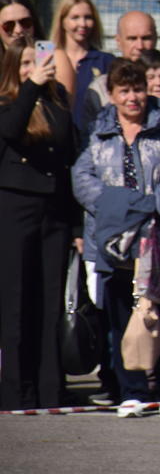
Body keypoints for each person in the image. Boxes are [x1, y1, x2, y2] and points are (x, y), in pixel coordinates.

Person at [72, 58, 160, 418]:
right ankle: (133, 392)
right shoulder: (98, 132)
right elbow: (82, 180)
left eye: (138, 88)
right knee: (121, 321)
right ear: (111, 95)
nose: (132, 97)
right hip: (114, 245)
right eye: (124, 90)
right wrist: (122, 209)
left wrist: (150, 207)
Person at [0, 40, 76, 409]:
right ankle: (16, 388)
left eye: (40, 60)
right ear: (14, 68)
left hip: (55, 209)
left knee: (50, 301)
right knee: (16, 300)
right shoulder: (7, 102)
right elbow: (12, 131)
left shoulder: (57, 97)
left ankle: (50, 387)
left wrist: (76, 225)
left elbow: (67, 149)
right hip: (15, 206)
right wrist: (30, 87)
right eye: (27, 63)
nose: (36, 67)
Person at [82, 11, 160, 134]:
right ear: (118, 41)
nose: (140, 45)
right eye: (132, 38)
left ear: (156, 38)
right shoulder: (100, 88)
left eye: (146, 38)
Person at [49, 0, 112, 118]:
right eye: (75, 18)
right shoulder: (48, 59)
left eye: (88, 17)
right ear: (62, 21)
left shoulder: (106, 61)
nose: (82, 24)